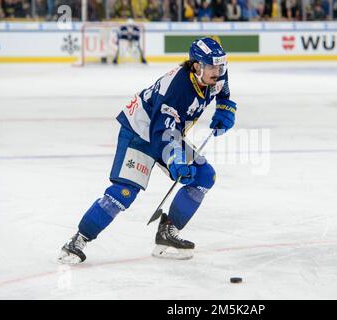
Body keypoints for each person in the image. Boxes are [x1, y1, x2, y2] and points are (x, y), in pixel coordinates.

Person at [59, 37, 237, 263]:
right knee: (123, 193)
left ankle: (167, 232)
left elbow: (223, 92)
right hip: (139, 133)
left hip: (168, 133)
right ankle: (77, 240)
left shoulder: (216, 75)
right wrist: (175, 159)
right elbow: (161, 131)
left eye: (221, 66)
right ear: (196, 66)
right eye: (212, 66)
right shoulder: (177, 88)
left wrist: (225, 108)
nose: (218, 71)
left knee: (204, 175)